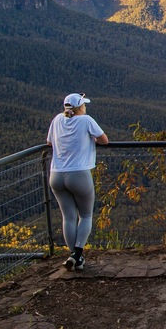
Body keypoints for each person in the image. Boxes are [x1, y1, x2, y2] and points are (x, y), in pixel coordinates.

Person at [46, 93, 109, 271]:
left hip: (56, 174)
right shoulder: (86, 120)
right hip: (79, 174)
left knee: (68, 217)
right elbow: (104, 140)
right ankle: (77, 253)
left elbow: (50, 142)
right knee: (86, 215)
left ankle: (74, 256)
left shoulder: (57, 120)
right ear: (80, 107)